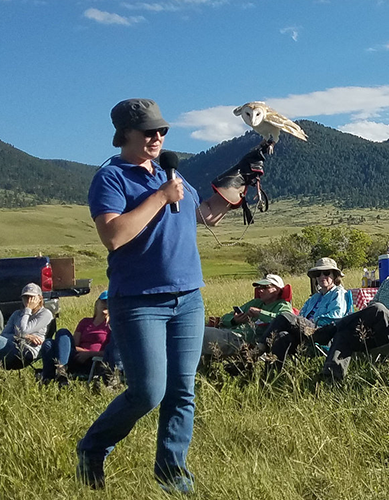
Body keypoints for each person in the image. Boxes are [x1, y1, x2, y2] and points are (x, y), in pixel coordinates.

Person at [77, 98, 246, 491]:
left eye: (162, 130)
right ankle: (93, 446)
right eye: (148, 131)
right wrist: (159, 197)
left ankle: (173, 479)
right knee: (148, 391)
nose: (157, 137)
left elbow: (202, 215)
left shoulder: (171, 174)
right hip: (139, 301)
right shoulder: (111, 178)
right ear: (124, 134)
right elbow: (114, 236)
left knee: (182, 390)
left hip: (188, 297)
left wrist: (237, 186)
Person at [313, 243, 389, 384]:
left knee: (378, 309)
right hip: (376, 330)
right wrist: (374, 316)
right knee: (346, 332)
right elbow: (371, 304)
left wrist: (382, 314)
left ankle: (330, 329)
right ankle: (332, 378)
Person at [264, 258, 356, 370]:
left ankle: (259, 348)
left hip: (323, 333)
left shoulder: (339, 294)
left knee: (284, 316)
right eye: (318, 274)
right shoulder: (314, 297)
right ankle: (270, 375)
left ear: (334, 276)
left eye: (326, 273)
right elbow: (301, 315)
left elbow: (336, 318)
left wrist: (312, 322)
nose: (322, 277)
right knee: (282, 336)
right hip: (305, 333)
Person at [202, 274, 294, 358]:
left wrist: (260, 313)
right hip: (232, 333)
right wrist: (234, 320)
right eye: (259, 287)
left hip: (247, 342)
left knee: (201, 335)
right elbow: (225, 317)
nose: (260, 290)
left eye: (265, 287)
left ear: (277, 290)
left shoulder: (283, 305)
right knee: (197, 331)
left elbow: (285, 320)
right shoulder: (256, 302)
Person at [40, 291, 113, 387]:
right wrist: (81, 351)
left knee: (49, 344)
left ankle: (49, 378)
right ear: (97, 303)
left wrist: (88, 353)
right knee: (60, 334)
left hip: (94, 360)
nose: (106, 305)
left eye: (109, 302)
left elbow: (111, 352)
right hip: (76, 356)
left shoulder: (112, 326)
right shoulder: (85, 322)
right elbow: (74, 345)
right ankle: (61, 370)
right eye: (103, 301)